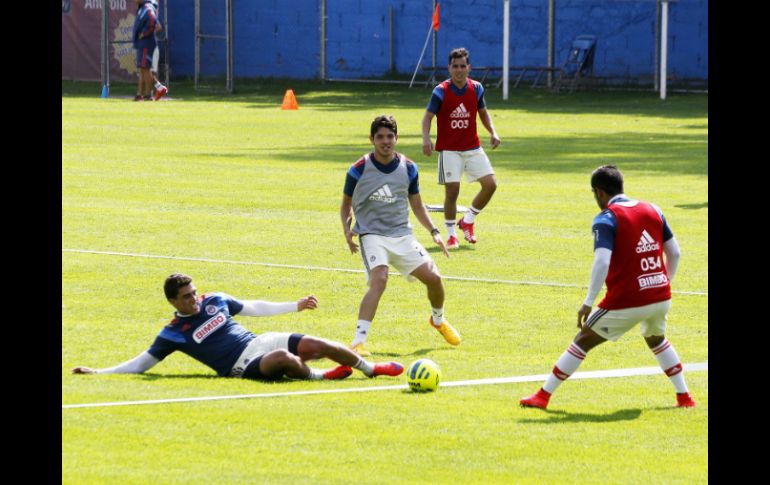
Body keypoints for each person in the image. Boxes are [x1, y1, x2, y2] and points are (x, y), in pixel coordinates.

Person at [519, 165, 696, 409]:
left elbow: (602, 262)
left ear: (599, 192)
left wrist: (588, 302)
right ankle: (684, 397)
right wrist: (663, 283)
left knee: (583, 339)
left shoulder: (607, 218)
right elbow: (675, 253)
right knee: (657, 340)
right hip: (660, 295)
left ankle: (543, 396)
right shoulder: (653, 209)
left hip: (626, 300)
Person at [72, 273, 404, 381]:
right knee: (284, 359)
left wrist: (296, 305)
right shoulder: (172, 333)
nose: (194, 299)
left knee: (318, 344)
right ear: (173, 302)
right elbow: (142, 364)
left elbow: (253, 307)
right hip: (241, 365)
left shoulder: (215, 299)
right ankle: (320, 376)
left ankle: (371, 368)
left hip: (259, 341)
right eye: (187, 297)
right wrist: (99, 372)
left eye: (194, 292)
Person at [340, 114, 461, 357]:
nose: (385, 141)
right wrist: (346, 230)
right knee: (380, 279)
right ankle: (358, 342)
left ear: (397, 138)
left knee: (435, 278)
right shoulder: (358, 169)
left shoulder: (409, 168)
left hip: (402, 235)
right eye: (380, 137)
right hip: (372, 234)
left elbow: (417, 205)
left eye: (389, 136)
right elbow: (346, 204)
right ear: (372, 139)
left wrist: (434, 232)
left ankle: (438, 320)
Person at [421, 47, 501, 250]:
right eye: (455, 66)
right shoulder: (441, 91)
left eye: (462, 66)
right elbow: (427, 117)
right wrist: (426, 139)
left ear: (469, 67)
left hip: (472, 147)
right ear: (449, 68)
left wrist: (493, 132)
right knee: (452, 192)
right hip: (449, 150)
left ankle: (468, 220)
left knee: (490, 184)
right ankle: (451, 235)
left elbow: (483, 113)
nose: (459, 70)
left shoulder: (477, 88)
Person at [132, 0, 164, 102]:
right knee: (143, 69)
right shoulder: (142, 9)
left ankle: (148, 94)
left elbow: (154, 23)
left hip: (147, 44)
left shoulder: (147, 8)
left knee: (146, 69)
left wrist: (145, 34)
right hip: (142, 44)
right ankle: (142, 94)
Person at [148, 0, 168, 101]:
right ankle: (150, 94)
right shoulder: (147, 13)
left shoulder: (149, 13)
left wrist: (147, 34)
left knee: (145, 71)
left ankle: (159, 88)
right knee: (150, 71)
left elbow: (159, 27)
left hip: (149, 46)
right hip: (150, 45)